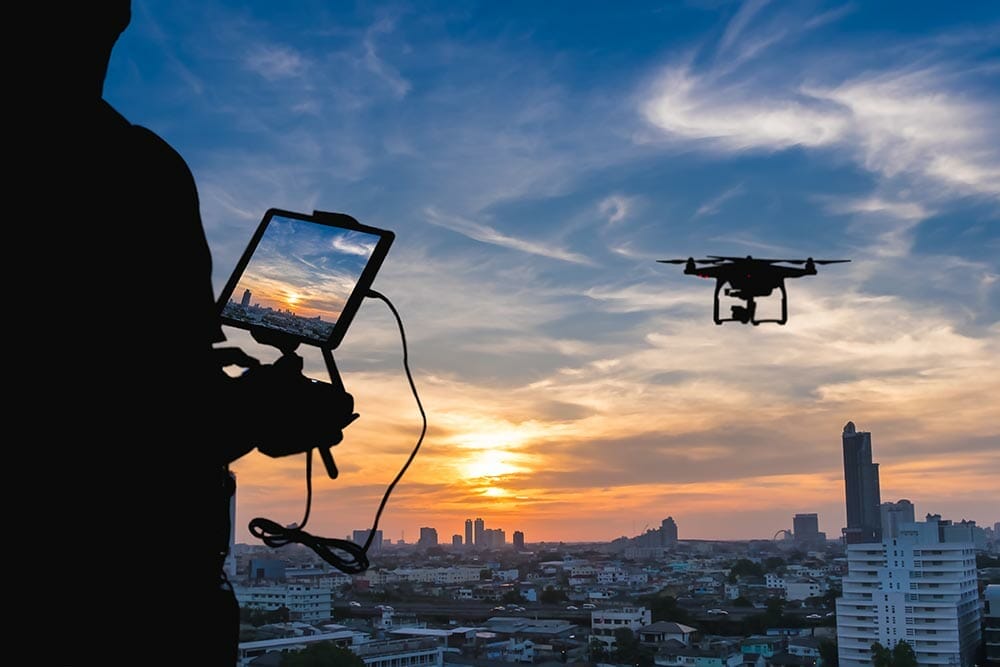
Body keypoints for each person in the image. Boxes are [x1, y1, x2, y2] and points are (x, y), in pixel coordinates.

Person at [39, 3, 356, 664]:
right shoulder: (131, 172)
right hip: (122, 607)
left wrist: (229, 396)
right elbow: (114, 423)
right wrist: (258, 408)